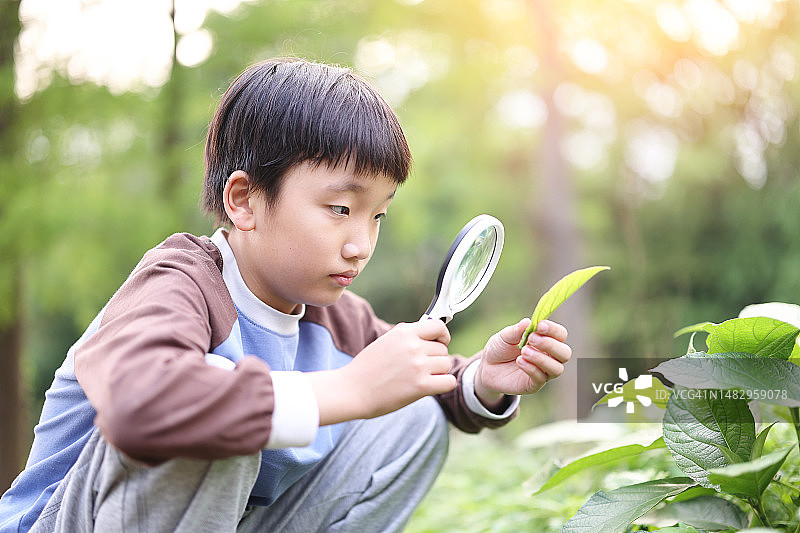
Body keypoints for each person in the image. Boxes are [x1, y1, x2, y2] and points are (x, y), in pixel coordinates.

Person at [0, 57, 572, 533]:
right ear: (244, 201)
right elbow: (142, 405)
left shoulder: (336, 317)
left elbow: (422, 379)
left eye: (378, 216)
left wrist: (481, 381)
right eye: (341, 209)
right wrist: (347, 388)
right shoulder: (180, 282)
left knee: (415, 417)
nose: (361, 244)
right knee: (221, 411)